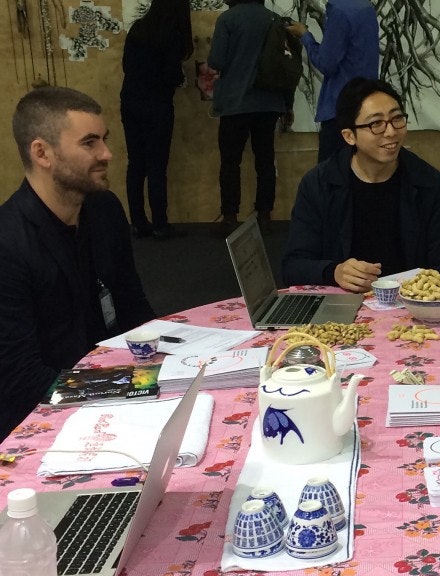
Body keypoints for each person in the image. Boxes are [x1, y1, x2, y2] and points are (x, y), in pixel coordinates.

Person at [0, 87, 155, 440]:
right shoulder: (8, 244)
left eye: (105, 139)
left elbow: (134, 307)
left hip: (111, 389)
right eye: (89, 143)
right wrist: (134, 387)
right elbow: (21, 377)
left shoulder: (104, 209)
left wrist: (173, 366)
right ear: (42, 153)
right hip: (42, 419)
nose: (107, 153)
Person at [282, 77, 440, 291]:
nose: (391, 131)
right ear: (349, 136)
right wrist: (334, 272)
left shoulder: (429, 183)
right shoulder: (319, 184)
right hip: (341, 304)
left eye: (397, 119)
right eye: (376, 123)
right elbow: (293, 267)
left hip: (411, 306)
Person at [208, 0, 291, 234]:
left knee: (230, 162)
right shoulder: (275, 19)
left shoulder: (228, 19)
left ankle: (230, 217)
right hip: (269, 101)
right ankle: (265, 215)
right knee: (265, 160)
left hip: (235, 102)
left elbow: (217, 61)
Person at [119, 0, 193, 240]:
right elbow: (171, 75)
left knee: (136, 163)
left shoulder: (138, 28)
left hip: (130, 101)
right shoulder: (171, 34)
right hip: (157, 105)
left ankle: (138, 222)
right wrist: (181, 80)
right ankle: (160, 224)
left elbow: (126, 66)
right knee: (157, 166)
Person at [286, 0, 379, 162]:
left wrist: (305, 36)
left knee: (330, 179)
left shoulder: (340, 10)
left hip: (341, 108)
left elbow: (326, 63)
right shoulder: (366, 7)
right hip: (366, 105)